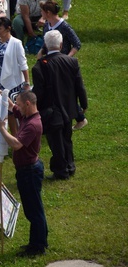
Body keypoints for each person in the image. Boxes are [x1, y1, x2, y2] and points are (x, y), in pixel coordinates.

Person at [0, 90, 48, 256]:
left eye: (19, 103)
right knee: (32, 209)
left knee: (34, 211)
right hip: (26, 170)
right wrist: (3, 98)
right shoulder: (27, 115)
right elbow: (14, 110)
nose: (16, 106)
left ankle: (38, 246)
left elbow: (17, 144)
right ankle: (36, 243)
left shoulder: (33, 124)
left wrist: (2, 129)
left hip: (30, 172)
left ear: (28, 104)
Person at [32, 30, 87, 180]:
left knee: (56, 142)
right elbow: (79, 86)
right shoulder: (71, 61)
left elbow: (39, 91)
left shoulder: (40, 66)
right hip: (68, 107)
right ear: (61, 44)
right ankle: (70, 165)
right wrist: (83, 104)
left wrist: (35, 108)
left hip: (50, 110)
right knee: (66, 138)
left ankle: (61, 170)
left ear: (45, 46)